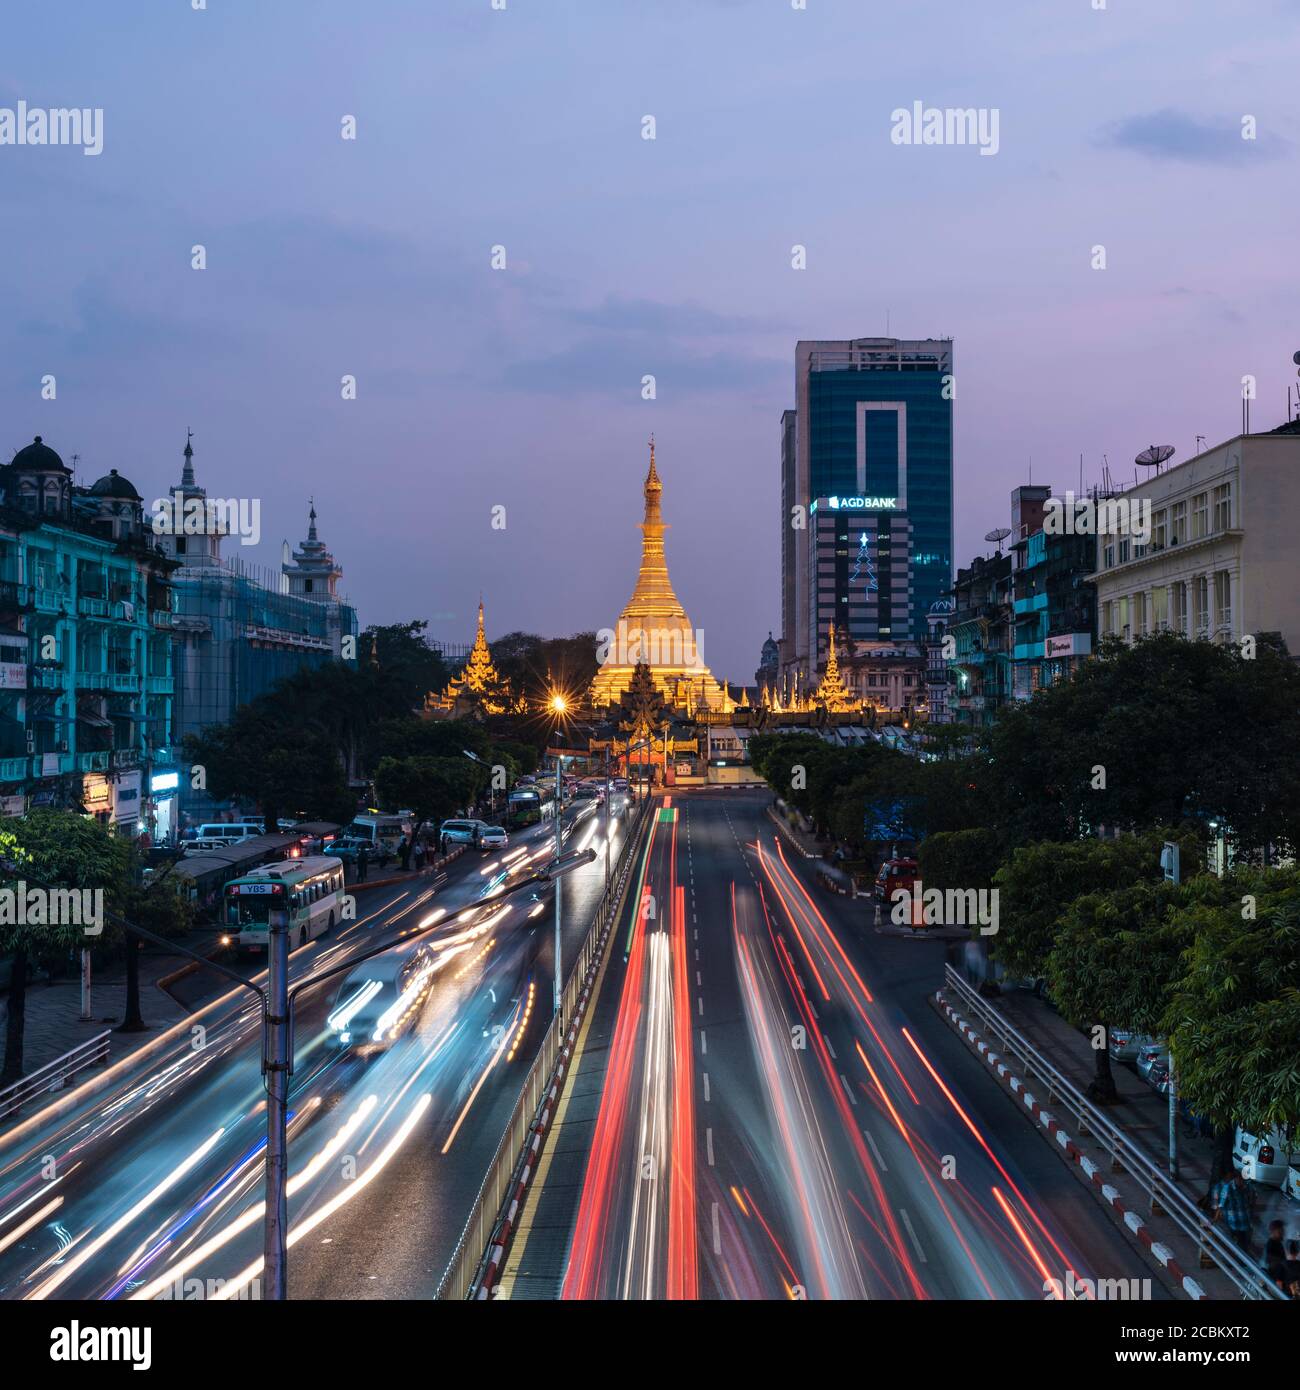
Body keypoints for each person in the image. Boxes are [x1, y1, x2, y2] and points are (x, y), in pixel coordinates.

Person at [1211, 1170, 1255, 1252]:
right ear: (1236, 1178)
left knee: (1245, 1245)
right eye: (1241, 1180)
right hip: (1234, 1223)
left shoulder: (1247, 1187)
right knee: (1239, 1246)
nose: (1242, 1182)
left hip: (1245, 1223)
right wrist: (1215, 1219)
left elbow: (1252, 1200)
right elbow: (1221, 1205)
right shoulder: (1227, 1188)